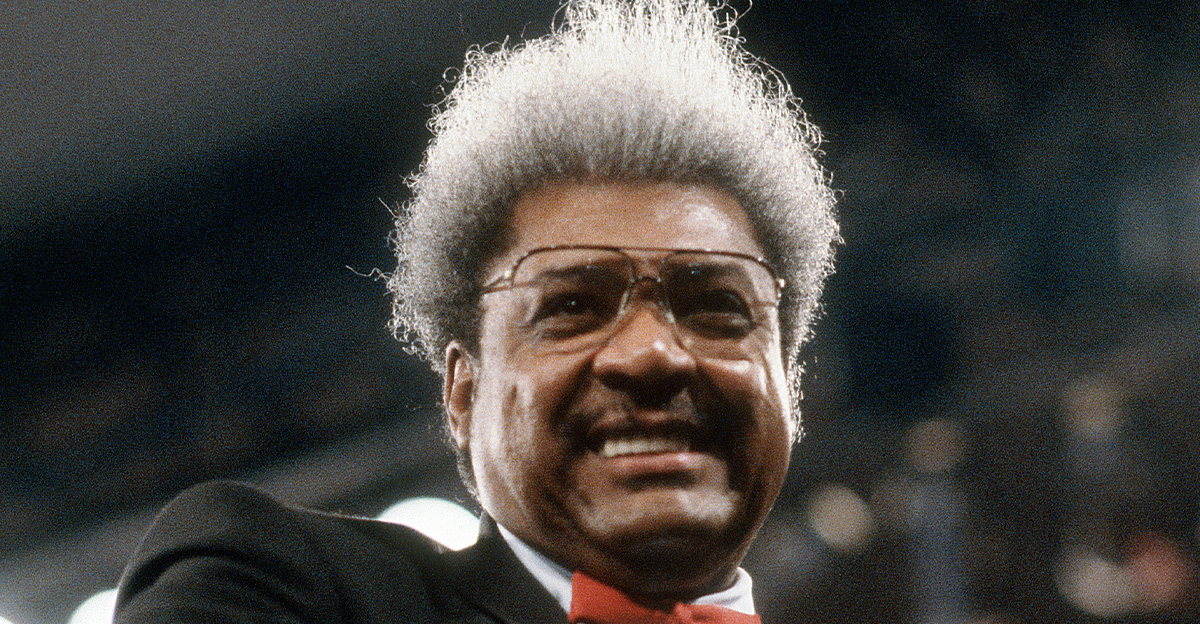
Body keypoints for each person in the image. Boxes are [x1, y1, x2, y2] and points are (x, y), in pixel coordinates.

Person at [114, 0, 838, 622]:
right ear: (463, 394)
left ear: (790, 384)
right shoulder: (281, 583)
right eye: (574, 306)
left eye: (716, 307)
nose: (652, 353)